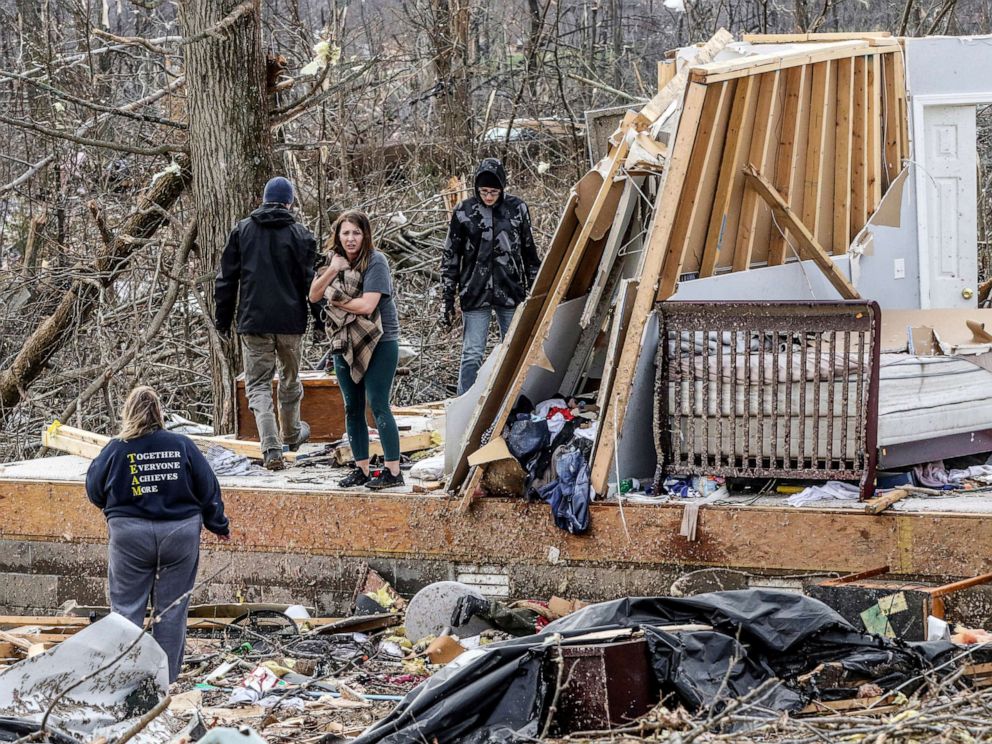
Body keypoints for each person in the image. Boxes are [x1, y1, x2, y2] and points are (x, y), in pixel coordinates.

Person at [85, 386, 230, 683]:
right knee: (172, 611)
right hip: (180, 533)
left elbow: (94, 490)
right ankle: (165, 682)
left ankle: (123, 681)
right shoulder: (182, 445)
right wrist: (218, 524)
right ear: (159, 413)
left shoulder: (116, 448)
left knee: (126, 610)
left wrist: (118, 508)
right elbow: (208, 488)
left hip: (129, 536)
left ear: (127, 413)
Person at [214, 176, 316, 470]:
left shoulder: (243, 231)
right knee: (289, 379)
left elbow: (226, 280)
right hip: (291, 322)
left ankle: (271, 448)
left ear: (263, 199)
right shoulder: (301, 235)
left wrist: (223, 317)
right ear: (290, 202)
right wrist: (320, 318)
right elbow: (312, 282)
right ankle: (293, 433)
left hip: (253, 320)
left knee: (257, 384)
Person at [309, 211, 403, 490]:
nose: (351, 239)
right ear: (338, 235)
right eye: (345, 233)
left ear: (365, 235)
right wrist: (332, 270)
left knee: (377, 402)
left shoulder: (376, 261)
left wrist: (336, 299)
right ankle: (361, 467)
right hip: (342, 340)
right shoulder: (332, 263)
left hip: (379, 339)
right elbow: (314, 295)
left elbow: (367, 306)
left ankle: (393, 471)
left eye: (356, 233)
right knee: (352, 406)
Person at [441, 158, 541, 394]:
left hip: (511, 290)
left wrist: (536, 293)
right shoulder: (463, 211)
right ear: (476, 188)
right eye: (484, 191)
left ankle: (516, 403)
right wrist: (447, 297)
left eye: (493, 192)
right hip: (474, 292)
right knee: (472, 354)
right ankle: (463, 404)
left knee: (514, 353)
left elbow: (530, 252)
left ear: (502, 189)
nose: (488, 197)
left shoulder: (517, 208)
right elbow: (450, 256)